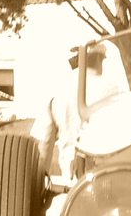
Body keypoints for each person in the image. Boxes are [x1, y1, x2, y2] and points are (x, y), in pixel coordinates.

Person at [31, 43, 105, 178]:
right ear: (99, 59)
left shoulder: (57, 91)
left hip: (73, 180)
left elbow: (45, 144)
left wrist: (39, 185)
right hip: (112, 177)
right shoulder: (116, 90)